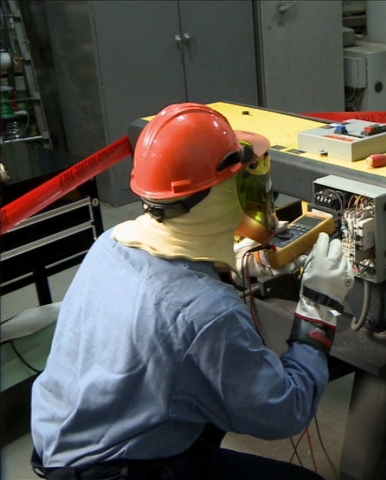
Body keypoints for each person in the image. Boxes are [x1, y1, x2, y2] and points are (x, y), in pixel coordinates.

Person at [30, 103, 353, 479]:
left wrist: (246, 261)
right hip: (110, 470)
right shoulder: (207, 313)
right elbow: (286, 412)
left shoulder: (110, 244)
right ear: (221, 193)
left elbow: (170, 283)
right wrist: (319, 308)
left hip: (60, 434)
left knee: (211, 401)